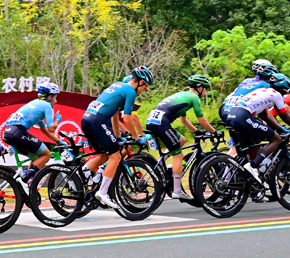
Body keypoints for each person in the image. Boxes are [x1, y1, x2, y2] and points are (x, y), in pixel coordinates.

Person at [81, 66, 152, 209]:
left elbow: (115, 116)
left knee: (103, 156)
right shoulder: (130, 91)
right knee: (116, 157)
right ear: (142, 82)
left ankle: (81, 174)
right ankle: (102, 192)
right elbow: (127, 119)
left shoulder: (118, 85)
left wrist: (118, 137)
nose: (144, 91)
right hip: (97, 121)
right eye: (146, 87)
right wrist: (137, 137)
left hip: (86, 119)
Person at [145, 75, 218, 199]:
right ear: (199, 88)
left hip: (152, 121)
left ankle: (161, 163)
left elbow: (183, 119)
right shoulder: (194, 97)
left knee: (181, 140)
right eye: (205, 88)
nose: (206, 91)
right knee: (178, 155)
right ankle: (177, 191)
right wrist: (214, 132)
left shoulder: (183, 95)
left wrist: (196, 131)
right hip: (162, 122)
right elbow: (202, 119)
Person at [226, 73, 290, 182]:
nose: (284, 94)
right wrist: (281, 130)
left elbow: (264, 115)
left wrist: (280, 128)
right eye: (285, 91)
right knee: (276, 139)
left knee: (252, 146)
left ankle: (248, 179)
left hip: (232, 114)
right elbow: (284, 115)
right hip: (242, 115)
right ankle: (254, 165)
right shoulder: (276, 94)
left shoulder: (262, 92)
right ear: (281, 89)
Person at [3, 83, 62, 186]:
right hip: (17, 131)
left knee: (36, 155)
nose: (56, 101)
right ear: (49, 97)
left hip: (9, 131)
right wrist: (57, 120)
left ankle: (28, 186)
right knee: (46, 154)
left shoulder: (36, 104)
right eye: (55, 98)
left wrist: (59, 142)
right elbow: (51, 128)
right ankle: (24, 179)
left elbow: (44, 130)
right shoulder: (46, 105)